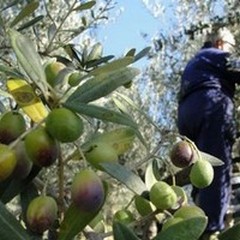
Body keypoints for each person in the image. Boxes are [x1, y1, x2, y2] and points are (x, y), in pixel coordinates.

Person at [177, 27, 240, 239]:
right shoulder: (218, 55)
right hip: (210, 108)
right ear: (221, 44)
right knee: (218, 165)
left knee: (201, 168)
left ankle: (199, 213)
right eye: (231, 47)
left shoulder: (196, 61)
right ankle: (212, 228)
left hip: (187, 115)